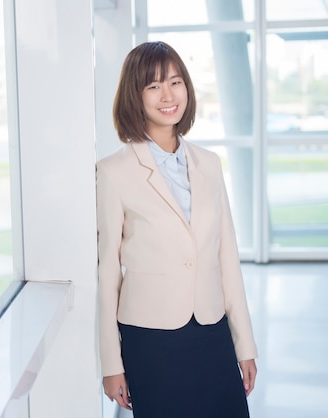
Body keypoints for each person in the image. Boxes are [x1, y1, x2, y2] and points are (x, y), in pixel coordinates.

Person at [96, 41, 258, 418]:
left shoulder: (209, 164)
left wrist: (244, 344)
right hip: (151, 339)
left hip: (211, 330)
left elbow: (227, 258)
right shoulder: (113, 172)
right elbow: (106, 273)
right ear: (135, 96)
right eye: (153, 86)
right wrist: (110, 363)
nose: (167, 95)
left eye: (175, 82)